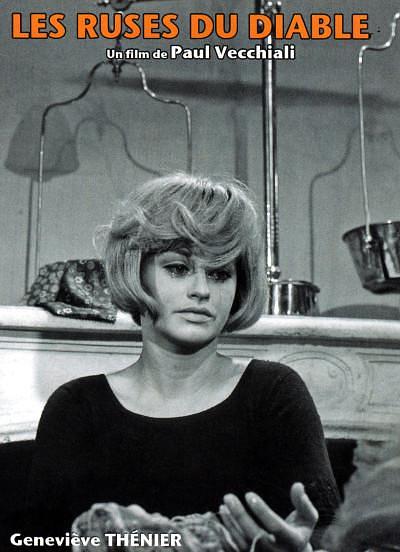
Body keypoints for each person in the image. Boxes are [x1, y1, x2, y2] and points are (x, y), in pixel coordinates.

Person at [24, 174, 339, 551]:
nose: (201, 290)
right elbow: (34, 542)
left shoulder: (274, 393)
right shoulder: (76, 407)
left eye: (219, 273)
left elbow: (327, 534)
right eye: (178, 268)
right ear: (134, 270)